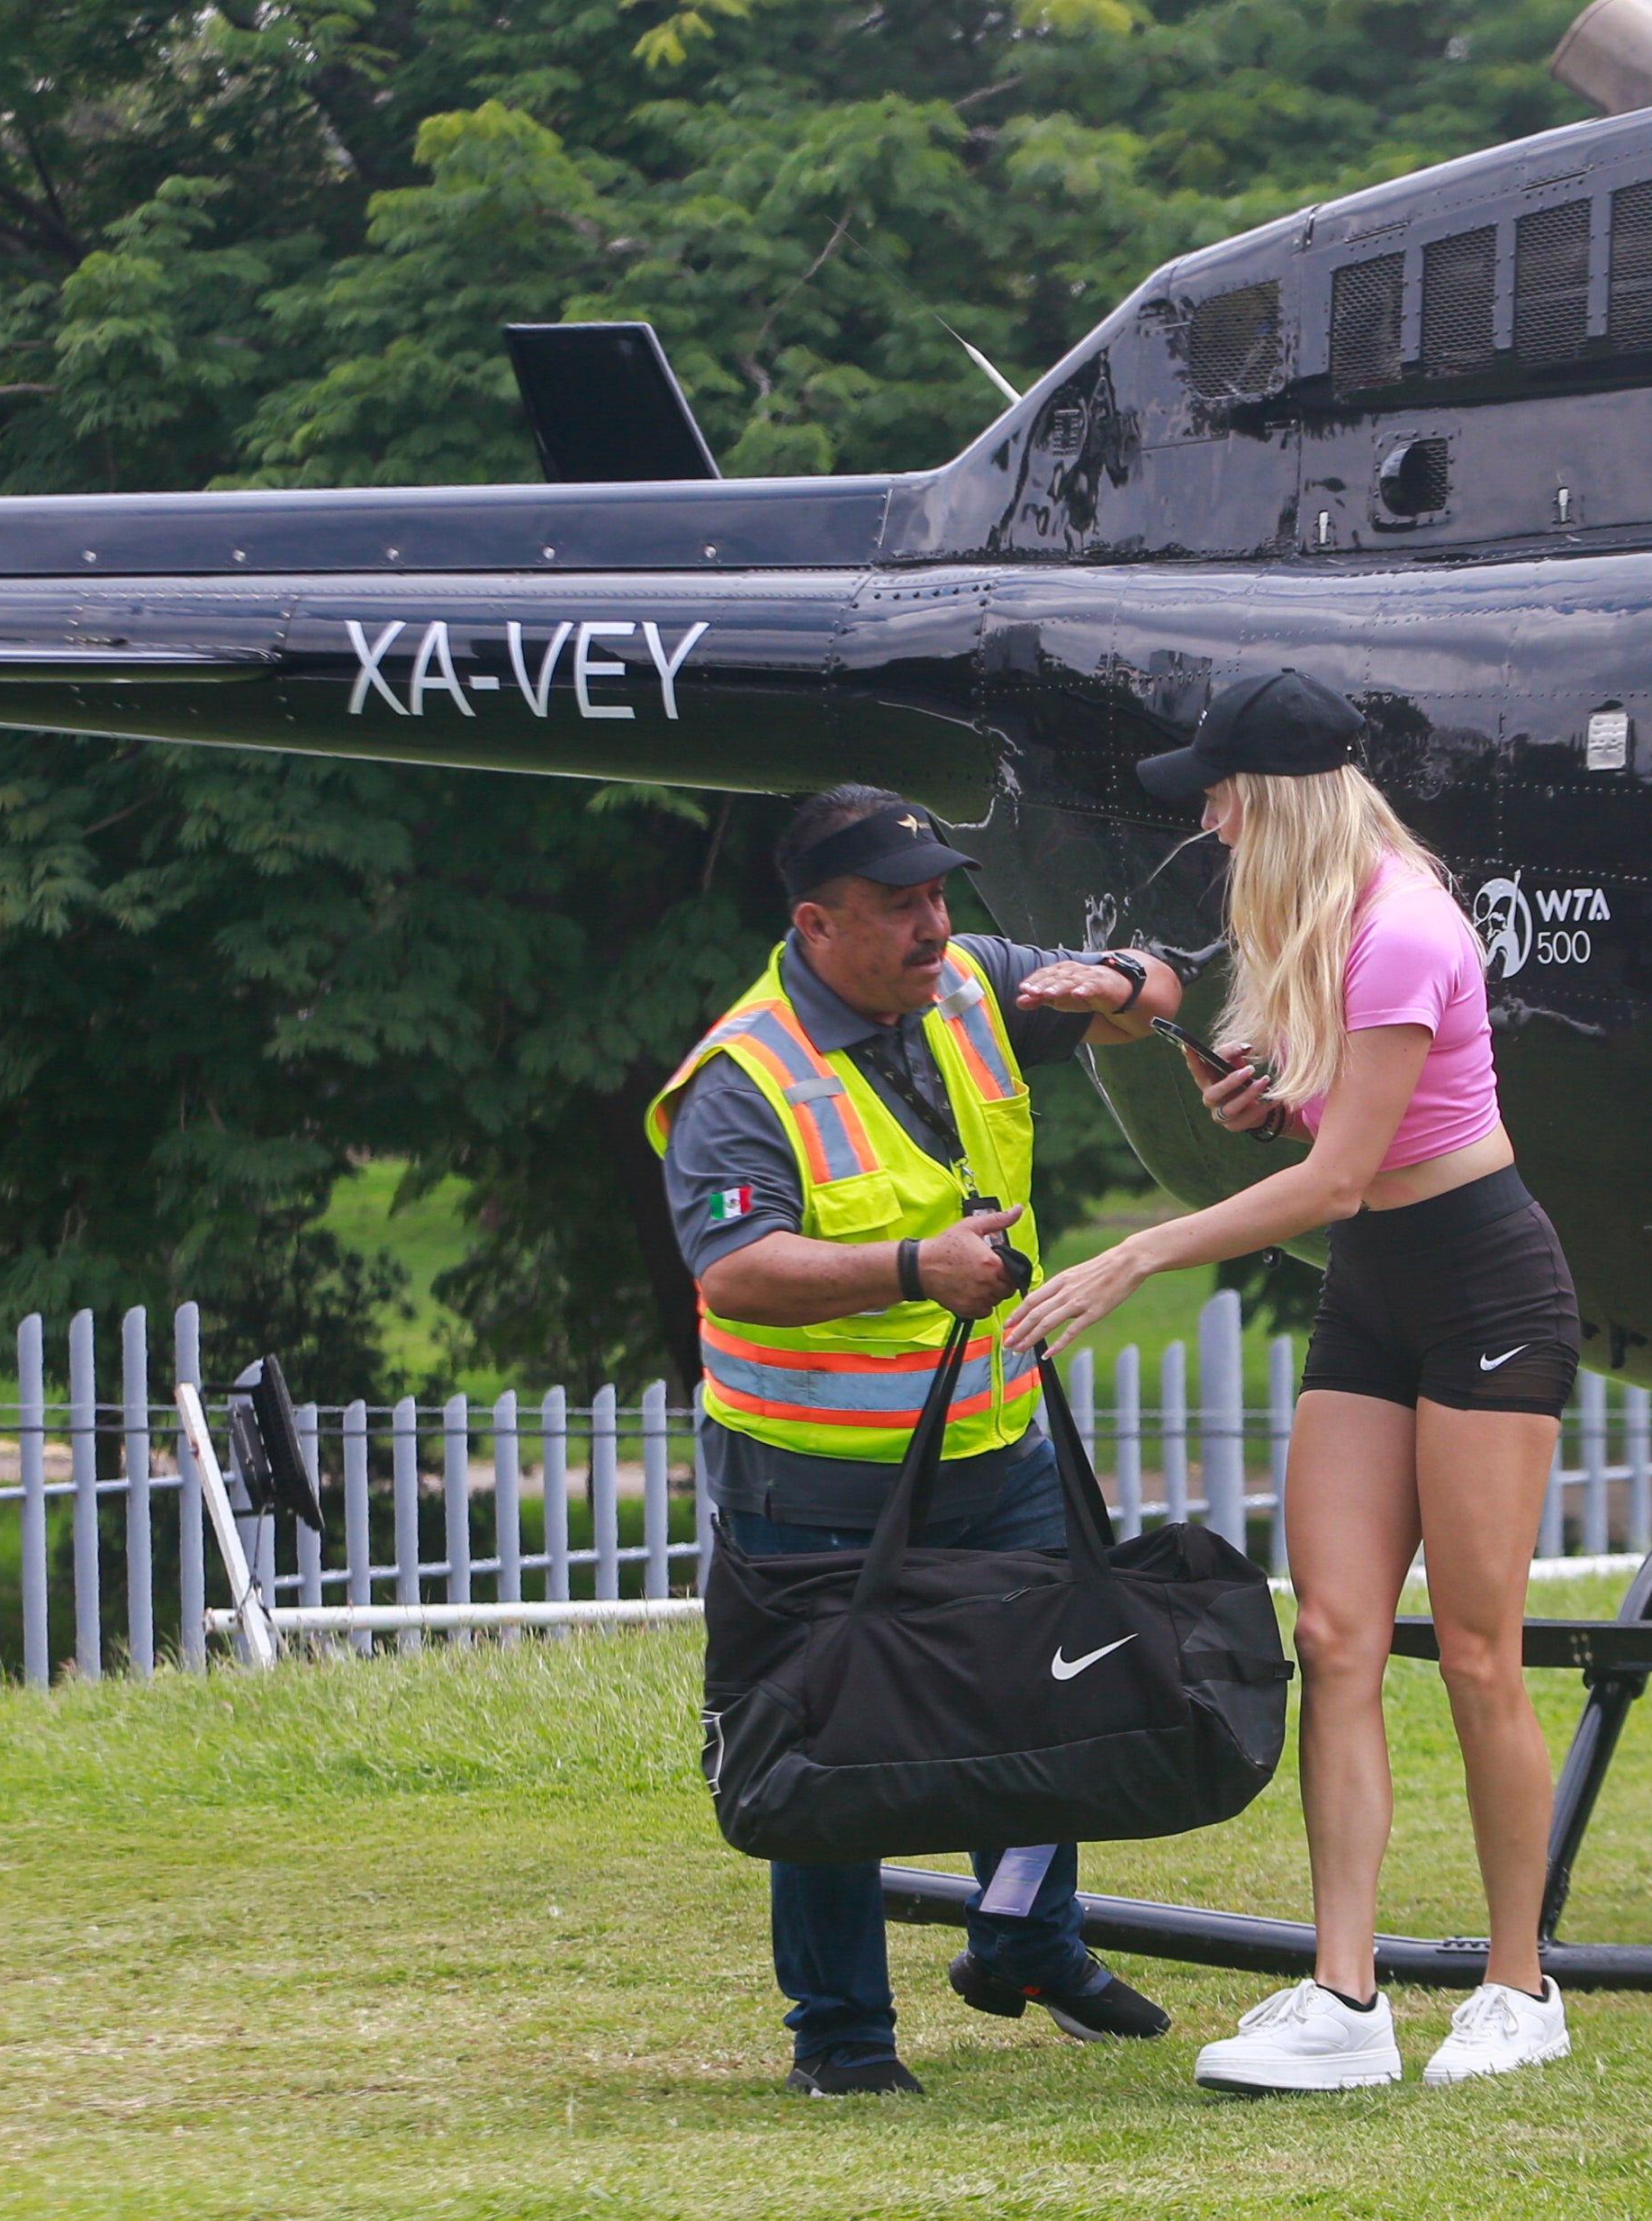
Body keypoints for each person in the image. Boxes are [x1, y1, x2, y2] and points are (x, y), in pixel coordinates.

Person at [1006, 672, 1583, 2094]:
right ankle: (1344, 1995)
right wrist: (1268, 1087)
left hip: (1486, 1287)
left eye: (1216, 792)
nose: (1202, 818)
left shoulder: (1399, 927)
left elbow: (1335, 1178)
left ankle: (1521, 1988)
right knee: (1332, 1634)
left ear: (1273, 798)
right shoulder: (1307, 920)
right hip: (1378, 1292)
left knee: (1473, 1651)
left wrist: (1134, 1255)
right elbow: (1332, 1138)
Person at [646, 783, 1187, 2098]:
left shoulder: (967, 984)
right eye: (902, 907)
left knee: (1051, 1685)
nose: (936, 924)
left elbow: (1163, 990)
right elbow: (733, 1273)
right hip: (811, 1474)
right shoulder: (745, 1075)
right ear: (817, 924)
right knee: (836, 1747)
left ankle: (1028, 1945)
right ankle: (841, 2037)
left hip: (991, 1438)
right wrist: (907, 1266)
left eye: (941, 895)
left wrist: (1120, 981)